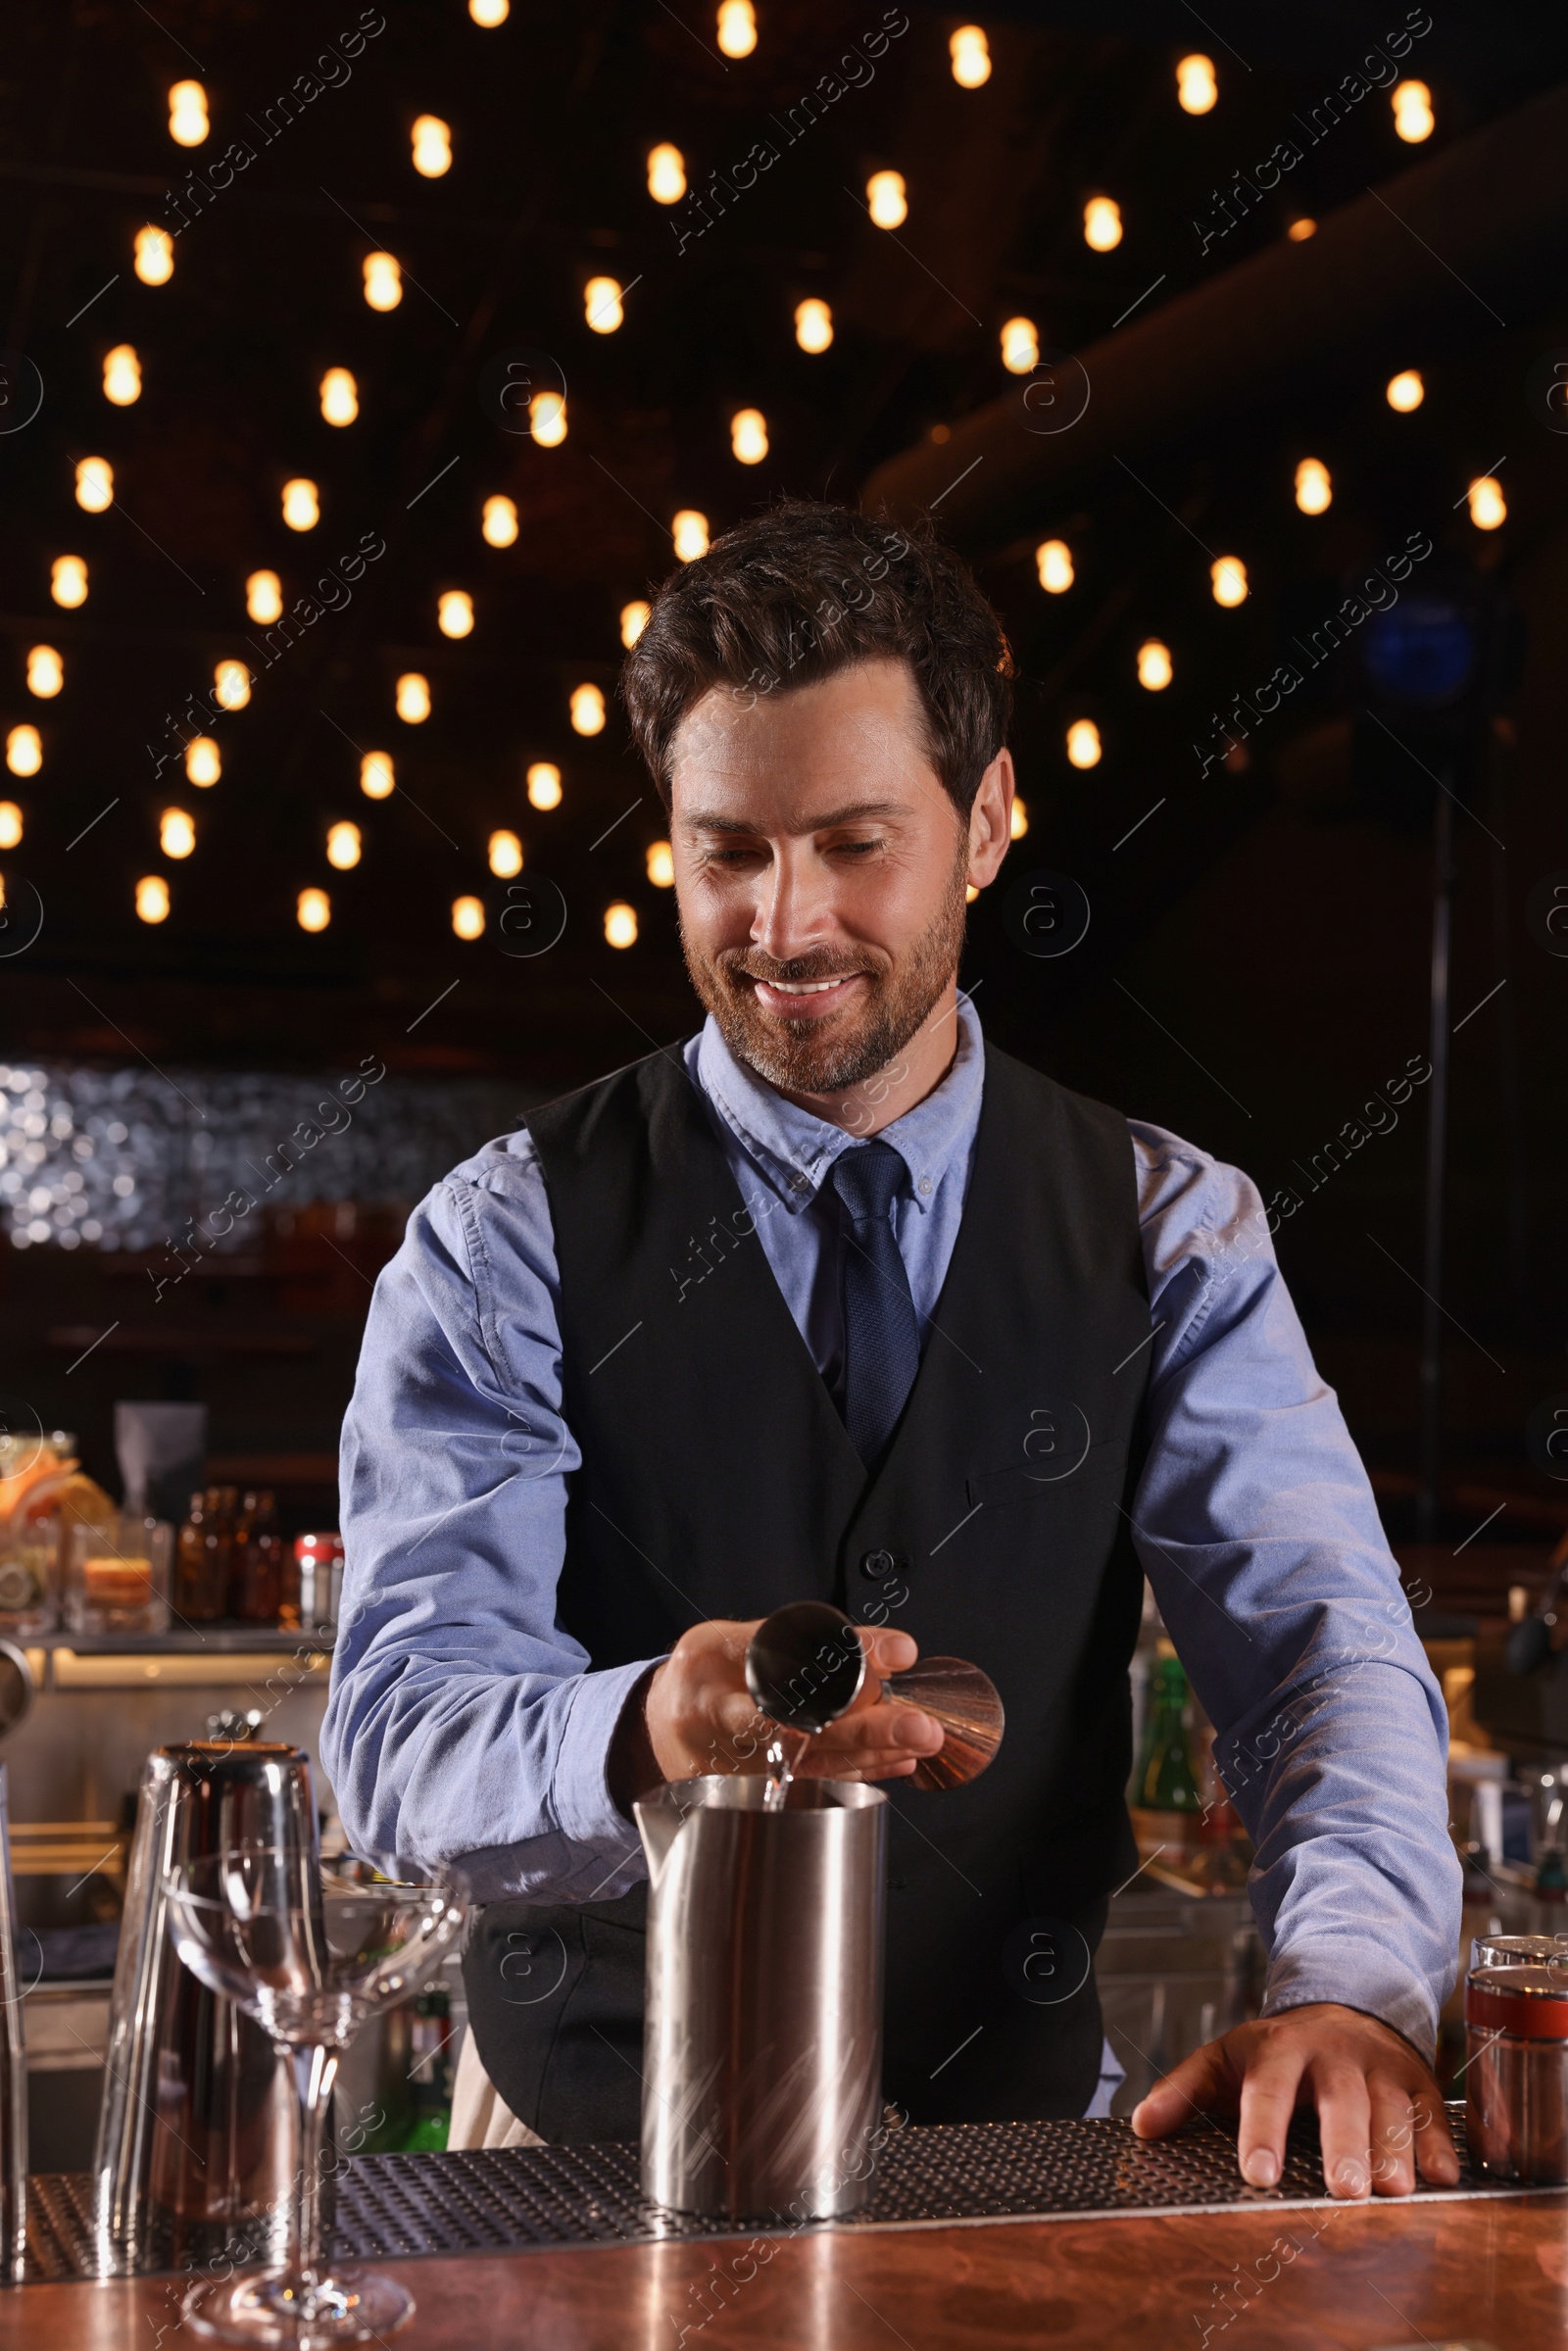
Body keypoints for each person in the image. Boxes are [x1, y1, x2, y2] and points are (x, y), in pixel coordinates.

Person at [321, 500, 1461, 2199]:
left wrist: (1354, 1990)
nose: (785, 926)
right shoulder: (506, 1238)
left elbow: (1319, 1658)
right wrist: (651, 1722)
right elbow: (398, 1735)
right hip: (580, 2163)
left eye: (853, 842)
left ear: (987, 822)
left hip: (1020, 2139)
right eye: (729, 851)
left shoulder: (1173, 1227)